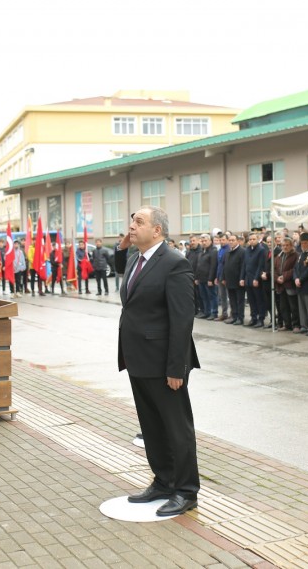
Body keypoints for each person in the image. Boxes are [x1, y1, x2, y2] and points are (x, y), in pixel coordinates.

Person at [115, 206, 200, 517]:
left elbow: (182, 320)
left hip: (165, 363)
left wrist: (176, 368)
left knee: (176, 428)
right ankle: (163, 481)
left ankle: (186, 490)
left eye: (139, 221)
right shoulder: (137, 258)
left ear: (158, 231)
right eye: (132, 219)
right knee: (151, 426)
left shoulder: (175, 264)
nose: (132, 226)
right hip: (138, 358)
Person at [294, 233, 308, 335]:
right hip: (299, 284)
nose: (304, 244)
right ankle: (304, 325)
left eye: (306, 243)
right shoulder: (300, 254)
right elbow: (295, 268)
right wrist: (296, 279)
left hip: (307, 284)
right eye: (302, 243)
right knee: (301, 307)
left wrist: (301, 279)